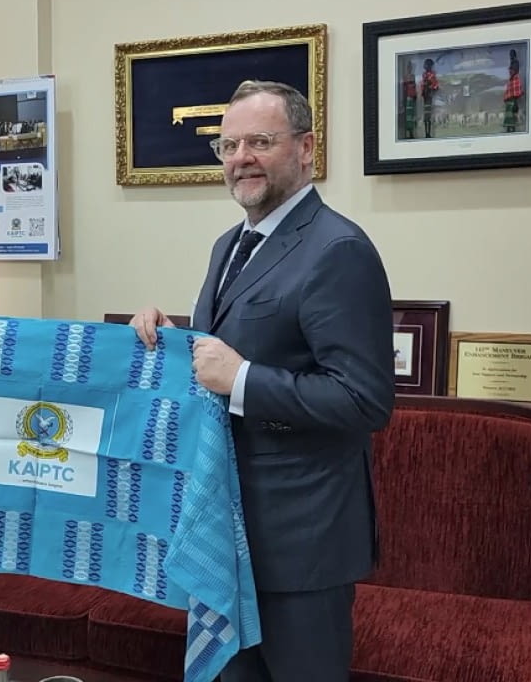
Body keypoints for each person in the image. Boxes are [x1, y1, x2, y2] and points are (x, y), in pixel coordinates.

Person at [130, 79, 395, 682]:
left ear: (305, 148)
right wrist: (169, 339)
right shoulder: (229, 245)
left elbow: (364, 400)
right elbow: (222, 354)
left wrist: (243, 379)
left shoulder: (338, 248)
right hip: (225, 531)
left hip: (302, 544)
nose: (241, 158)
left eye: (260, 142)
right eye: (228, 146)